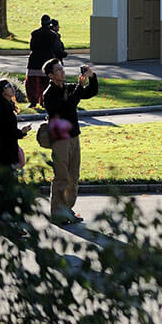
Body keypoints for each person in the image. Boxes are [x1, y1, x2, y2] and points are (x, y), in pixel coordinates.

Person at [41, 59, 97, 226]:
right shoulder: (48, 95)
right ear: (51, 75)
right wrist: (79, 88)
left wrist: (92, 77)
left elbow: (90, 92)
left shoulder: (68, 87)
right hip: (60, 139)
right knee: (61, 176)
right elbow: (66, 107)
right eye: (58, 70)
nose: (62, 71)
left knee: (73, 176)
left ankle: (67, 209)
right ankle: (57, 212)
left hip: (74, 136)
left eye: (62, 68)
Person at [0, 78, 28, 227]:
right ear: (2, 91)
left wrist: (20, 133)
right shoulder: (1, 110)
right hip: (5, 153)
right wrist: (21, 132)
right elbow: (6, 133)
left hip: (7, 150)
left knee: (7, 188)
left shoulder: (6, 106)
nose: (12, 88)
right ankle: (7, 222)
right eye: (8, 86)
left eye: (11, 86)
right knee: (6, 189)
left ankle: (10, 221)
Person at [25, 14, 60, 107]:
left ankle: (33, 101)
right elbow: (56, 49)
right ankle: (44, 101)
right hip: (47, 61)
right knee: (46, 83)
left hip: (34, 61)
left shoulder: (34, 33)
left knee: (32, 83)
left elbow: (32, 47)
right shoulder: (53, 35)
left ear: (41, 23)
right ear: (50, 24)